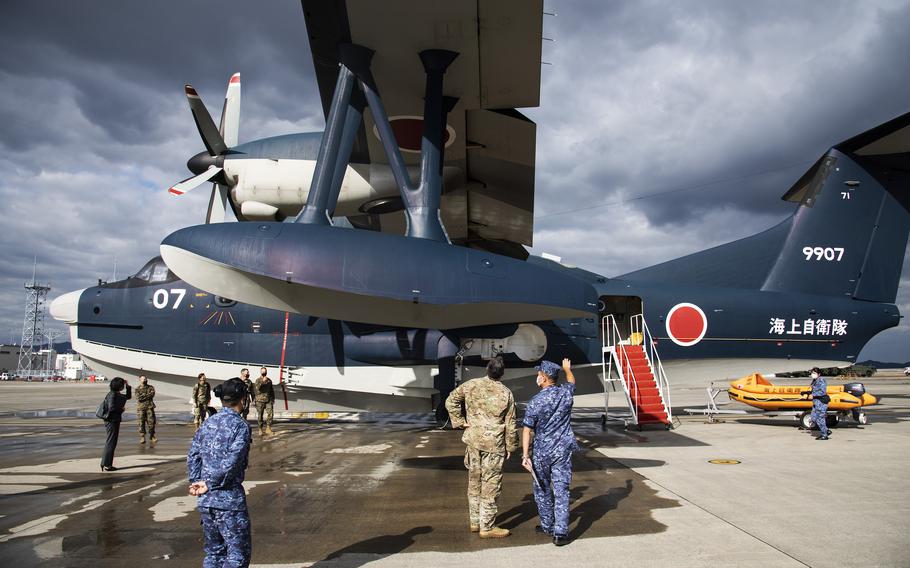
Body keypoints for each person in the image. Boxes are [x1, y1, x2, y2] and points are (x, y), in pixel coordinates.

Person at [444, 356, 518, 539]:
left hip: (473, 441)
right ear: (502, 373)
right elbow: (511, 424)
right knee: (491, 485)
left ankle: (475, 522)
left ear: (487, 369)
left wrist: (460, 422)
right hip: (494, 445)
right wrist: (511, 446)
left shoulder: (471, 385)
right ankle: (488, 527)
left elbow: (450, 401)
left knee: (474, 482)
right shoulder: (506, 393)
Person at [187, 377, 253, 567]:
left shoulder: (208, 423)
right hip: (228, 500)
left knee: (214, 554)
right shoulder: (240, 426)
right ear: (242, 399)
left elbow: (193, 455)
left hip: (206, 501)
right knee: (237, 555)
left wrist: (198, 482)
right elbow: (232, 463)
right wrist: (210, 483)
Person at [521, 358, 579, 546]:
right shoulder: (565, 394)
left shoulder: (535, 402)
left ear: (544, 378)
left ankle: (547, 525)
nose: (537, 377)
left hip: (542, 452)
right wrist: (567, 369)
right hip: (562, 450)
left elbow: (527, 430)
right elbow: (571, 382)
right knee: (562, 490)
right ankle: (560, 533)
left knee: (542, 488)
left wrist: (525, 455)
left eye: (539, 375)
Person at [100, 376, 132, 471]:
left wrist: (128, 387)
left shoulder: (116, 394)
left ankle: (106, 463)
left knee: (112, 442)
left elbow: (128, 397)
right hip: (111, 420)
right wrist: (121, 409)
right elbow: (112, 408)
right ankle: (107, 464)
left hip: (114, 420)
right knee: (111, 442)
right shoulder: (113, 395)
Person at [808, 367, 831, 440]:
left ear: (819, 374)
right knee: (813, 418)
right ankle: (826, 430)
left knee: (820, 418)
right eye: (812, 373)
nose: (812, 374)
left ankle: (824, 435)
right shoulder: (815, 380)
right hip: (816, 403)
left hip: (821, 402)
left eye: (814, 373)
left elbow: (822, 391)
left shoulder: (821, 380)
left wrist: (813, 395)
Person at [135, 375, 157, 445]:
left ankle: (152, 436)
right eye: (143, 379)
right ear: (140, 380)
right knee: (141, 423)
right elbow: (139, 398)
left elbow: (152, 394)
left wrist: (143, 396)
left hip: (149, 407)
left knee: (151, 422)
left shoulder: (151, 387)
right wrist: (147, 395)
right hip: (141, 408)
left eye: (145, 379)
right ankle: (142, 437)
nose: (145, 380)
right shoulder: (137, 389)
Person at [253, 367, 275, 436]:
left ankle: (268, 428)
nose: (264, 372)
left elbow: (271, 390)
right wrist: (263, 381)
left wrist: (273, 398)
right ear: (260, 372)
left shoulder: (269, 381)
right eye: (262, 371)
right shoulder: (257, 380)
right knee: (260, 415)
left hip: (268, 400)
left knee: (270, 414)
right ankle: (260, 429)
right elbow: (258, 389)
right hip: (260, 400)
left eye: (265, 371)